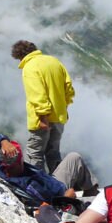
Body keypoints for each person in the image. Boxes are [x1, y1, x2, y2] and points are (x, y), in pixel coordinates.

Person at [11, 40, 75, 172]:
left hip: (42, 120)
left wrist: (43, 117)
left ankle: (39, 186)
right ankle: (61, 184)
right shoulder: (54, 62)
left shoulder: (30, 67)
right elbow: (68, 88)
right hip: (59, 116)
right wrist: (64, 107)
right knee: (53, 152)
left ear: (21, 56)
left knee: (35, 153)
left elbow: (37, 94)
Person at [0, 134, 98, 202]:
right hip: (60, 192)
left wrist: (4, 142)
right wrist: (66, 198)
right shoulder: (30, 185)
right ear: (18, 163)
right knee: (75, 158)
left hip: (50, 181)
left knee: (73, 157)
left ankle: (90, 191)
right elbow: (48, 205)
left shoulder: (1, 163)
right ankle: (91, 195)